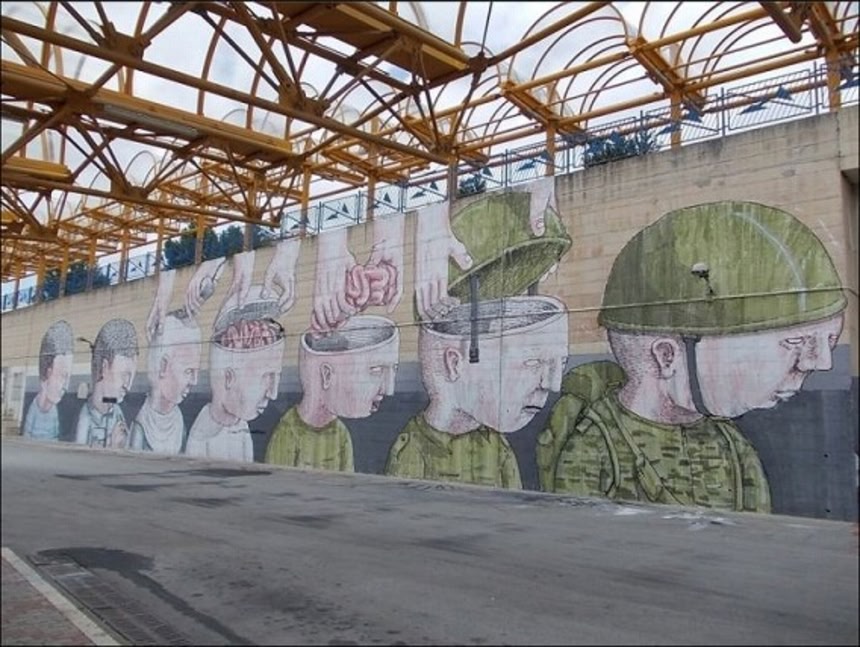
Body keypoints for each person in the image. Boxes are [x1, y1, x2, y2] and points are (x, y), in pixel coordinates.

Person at [537, 201, 847, 513]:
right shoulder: (597, 443)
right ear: (667, 356)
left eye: (830, 340)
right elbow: (579, 528)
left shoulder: (731, 444)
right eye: (795, 341)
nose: (821, 362)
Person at [385, 296, 568, 489]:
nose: (553, 384)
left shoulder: (497, 446)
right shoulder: (413, 446)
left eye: (562, 363)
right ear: (454, 364)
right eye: (532, 362)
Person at [265, 315, 400, 472]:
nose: (389, 389)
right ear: (327, 375)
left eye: (394, 370)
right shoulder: (288, 432)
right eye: (376, 370)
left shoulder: (340, 433)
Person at [185, 304, 285, 463]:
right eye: (266, 377)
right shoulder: (201, 434)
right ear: (229, 378)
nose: (272, 393)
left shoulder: (241, 425)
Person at [129, 313, 201, 454]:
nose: (194, 381)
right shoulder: (141, 426)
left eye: (196, 371)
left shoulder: (178, 421)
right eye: (188, 371)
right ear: (163, 366)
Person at [74, 318, 139, 448]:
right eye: (124, 375)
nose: (128, 385)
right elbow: (79, 454)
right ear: (104, 367)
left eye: (131, 377)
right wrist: (112, 444)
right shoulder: (85, 419)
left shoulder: (117, 412)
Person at [23, 320, 74, 441]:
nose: (65, 386)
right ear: (48, 372)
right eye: (62, 376)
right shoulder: (33, 408)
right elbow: (26, 436)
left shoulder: (54, 410)